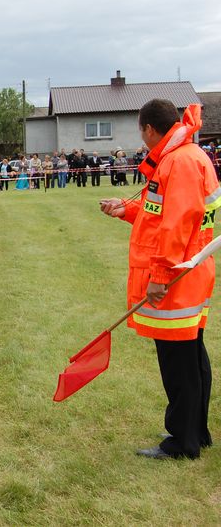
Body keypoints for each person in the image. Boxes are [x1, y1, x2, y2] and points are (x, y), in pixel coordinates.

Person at [100, 100, 218, 460]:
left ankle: (182, 442)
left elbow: (177, 225)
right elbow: (158, 213)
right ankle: (194, 431)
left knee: (179, 362)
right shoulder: (186, 155)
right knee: (192, 356)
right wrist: (126, 208)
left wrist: (160, 276)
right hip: (190, 273)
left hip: (178, 277)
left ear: (149, 128)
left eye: (140, 131)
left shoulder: (180, 161)